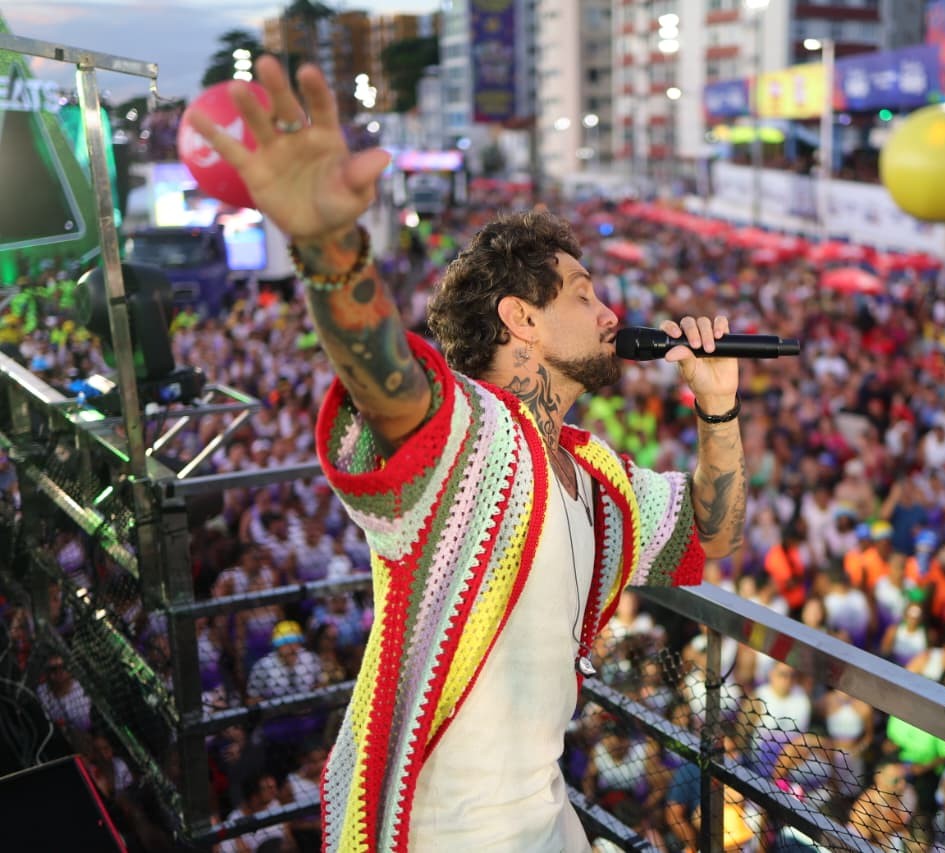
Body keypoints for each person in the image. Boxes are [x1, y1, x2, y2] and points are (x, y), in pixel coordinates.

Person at [191, 56, 746, 852]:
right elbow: (385, 379)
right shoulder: (467, 437)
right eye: (584, 292)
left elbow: (710, 531)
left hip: (547, 815)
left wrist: (717, 402)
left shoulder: (597, 479)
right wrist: (326, 247)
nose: (611, 309)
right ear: (521, 318)